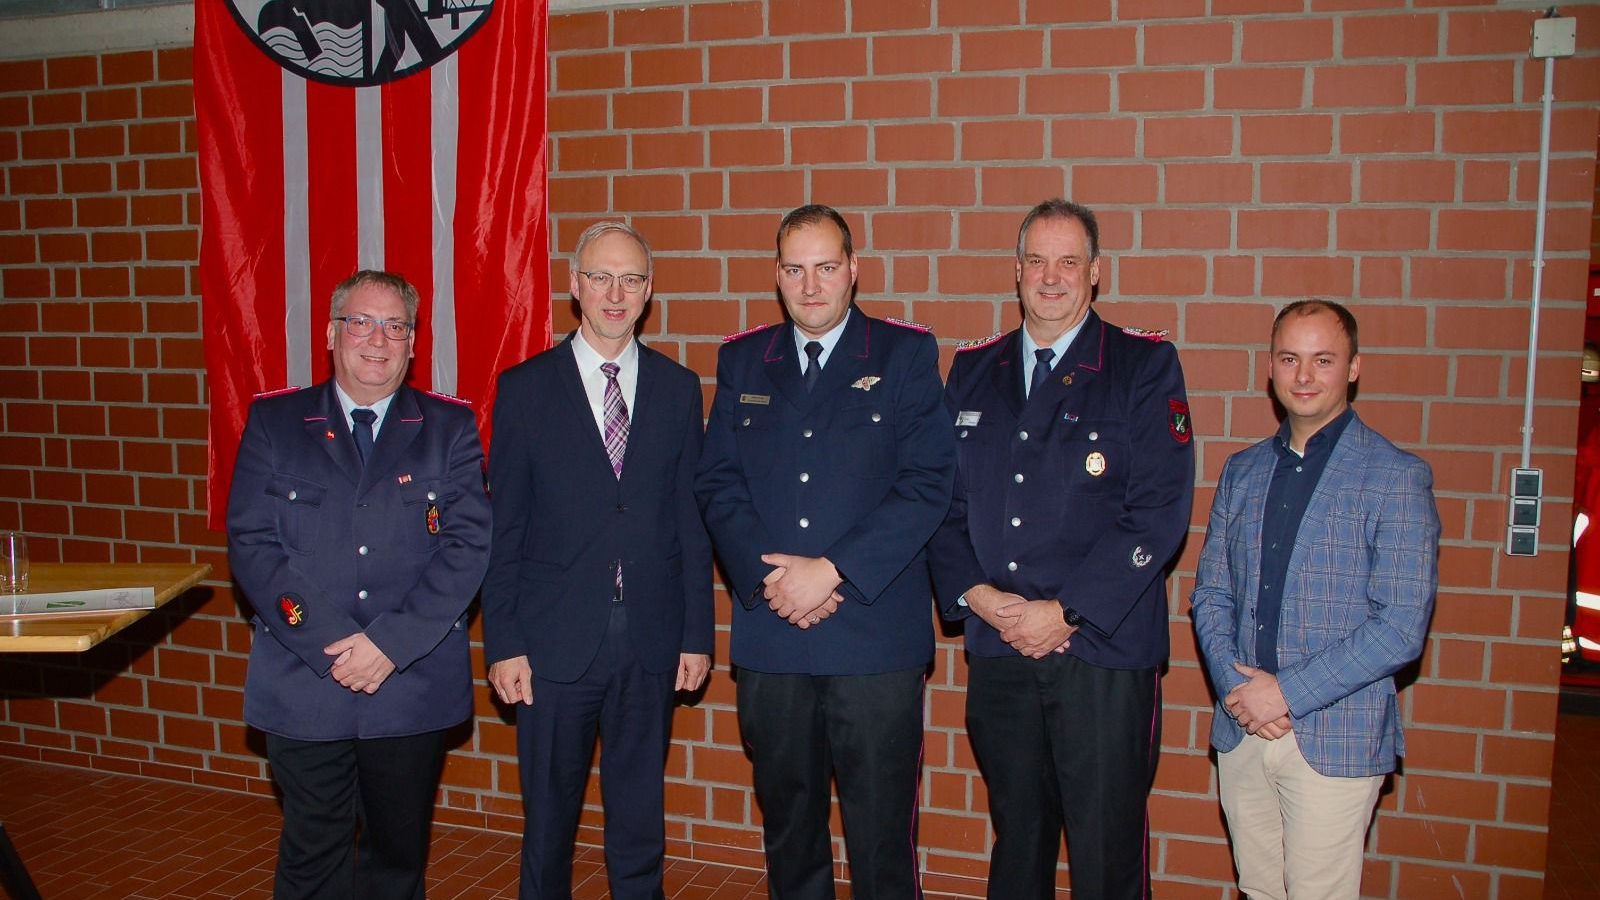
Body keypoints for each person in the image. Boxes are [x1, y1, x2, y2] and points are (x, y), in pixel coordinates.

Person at [928, 198, 1194, 900]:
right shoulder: (972, 369)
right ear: (1016, 273)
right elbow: (943, 507)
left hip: (1099, 654)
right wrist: (980, 600)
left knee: (1106, 854)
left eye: (1068, 261)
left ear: (1095, 273)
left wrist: (1064, 612)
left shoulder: (1142, 366)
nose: (1051, 277)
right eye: (1037, 261)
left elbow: (1159, 513)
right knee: (1019, 842)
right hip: (1001, 646)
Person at [695, 204, 955, 900]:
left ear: (854, 271)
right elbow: (717, 481)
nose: (811, 286)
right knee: (789, 834)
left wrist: (832, 570)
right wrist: (770, 577)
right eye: (795, 270)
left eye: (826, 268)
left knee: (881, 843)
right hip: (773, 639)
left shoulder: (903, 356)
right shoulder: (745, 359)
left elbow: (929, 481)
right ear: (777, 276)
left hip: (872, 642)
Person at [228, 269, 492, 899]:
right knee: (312, 853)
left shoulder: (449, 429)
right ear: (331, 333)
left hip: (408, 687)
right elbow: (254, 547)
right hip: (305, 682)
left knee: (396, 861)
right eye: (361, 322)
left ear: (412, 342)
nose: (378, 339)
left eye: (395, 326)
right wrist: (331, 642)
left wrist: (389, 645)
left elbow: (466, 547)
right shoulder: (275, 423)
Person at [481, 221, 713, 900]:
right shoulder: (525, 389)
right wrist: (505, 641)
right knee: (548, 825)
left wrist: (696, 634)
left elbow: (690, 524)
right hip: (552, 643)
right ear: (574, 286)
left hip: (649, 636)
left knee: (640, 822)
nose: (617, 293)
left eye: (632, 279)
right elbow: (506, 528)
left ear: (649, 291)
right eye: (602, 277)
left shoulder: (677, 388)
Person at [1190, 300, 1439, 900]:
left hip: (1335, 736)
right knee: (1259, 890)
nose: (1304, 376)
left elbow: (1401, 627)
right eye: (1290, 358)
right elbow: (1212, 594)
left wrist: (1286, 693)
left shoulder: (1394, 476)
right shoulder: (1243, 471)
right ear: (1270, 368)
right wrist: (1237, 688)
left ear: (1353, 367)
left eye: (1323, 359)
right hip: (1244, 729)